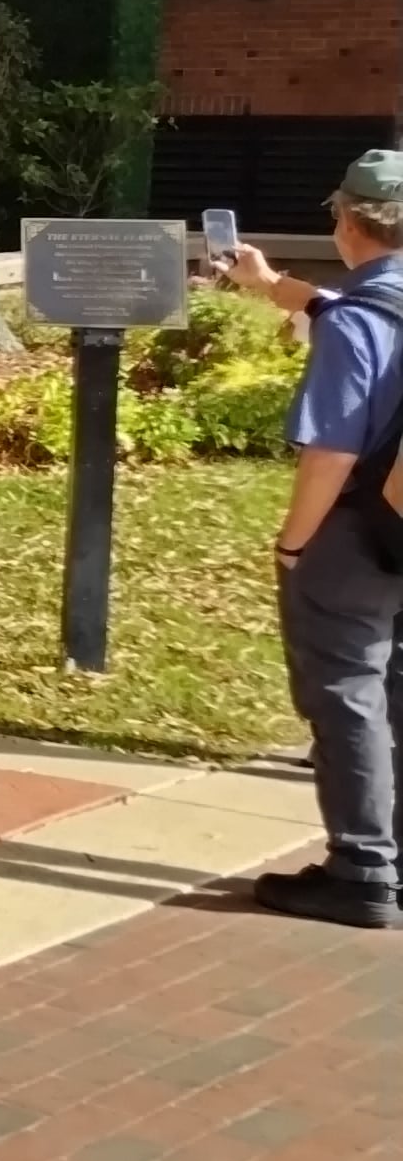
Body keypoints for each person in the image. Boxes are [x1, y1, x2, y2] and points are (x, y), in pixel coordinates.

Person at [224, 147, 403, 928]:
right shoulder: (366, 306)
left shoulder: (357, 323)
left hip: (359, 535)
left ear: (345, 219)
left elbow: (331, 450)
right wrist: (269, 287)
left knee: (346, 688)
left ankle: (363, 870)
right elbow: (338, 305)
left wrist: (294, 544)